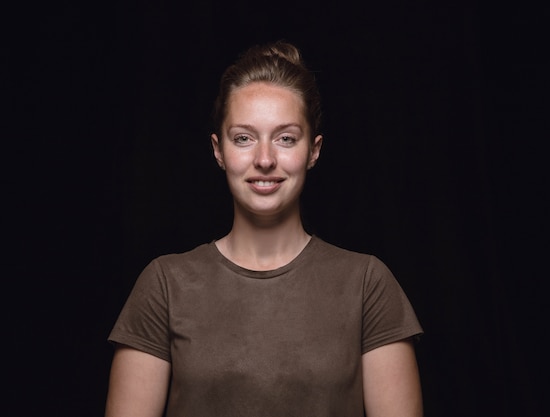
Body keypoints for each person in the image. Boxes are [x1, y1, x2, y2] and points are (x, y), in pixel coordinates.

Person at [105, 40, 424, 417]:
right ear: (218, 150)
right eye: (243, 138)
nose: (265, 159)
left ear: (314, 150)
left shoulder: (367, 284)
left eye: (285, 138)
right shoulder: (164, 284)